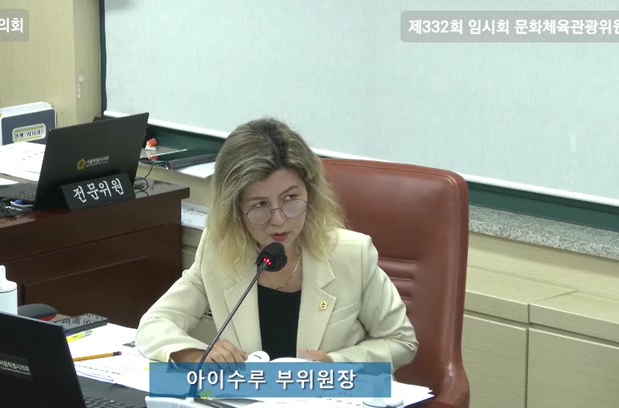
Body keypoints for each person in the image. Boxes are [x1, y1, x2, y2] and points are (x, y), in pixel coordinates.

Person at [136, 118, 418, 369]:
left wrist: (336, 363)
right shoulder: (219, 249)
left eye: (291, 199)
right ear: (235, 209)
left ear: (310, 193)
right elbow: (154, 324)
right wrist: (196, 356)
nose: (279, 220)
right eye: (260, 205)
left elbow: (401, 341)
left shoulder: (351, 254)